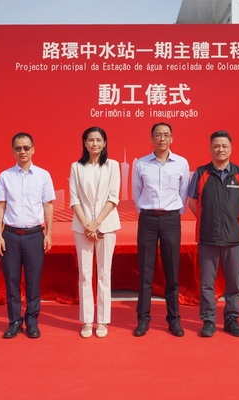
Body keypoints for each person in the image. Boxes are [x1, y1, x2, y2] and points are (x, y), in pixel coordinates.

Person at [188, 131, 239, 338]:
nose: (220, 149)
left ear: (231, 149)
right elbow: (193, 203)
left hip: (234, 239)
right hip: (208, 237)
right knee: (207, 283)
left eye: (224, 146)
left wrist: (229, 221)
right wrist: (210, 219)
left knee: (233, 284)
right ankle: (209, 320)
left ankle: (232, 320)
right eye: (216, 146)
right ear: (210, 149)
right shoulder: (201, 173)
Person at [0, 132, 55, 339]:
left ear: (33, 149)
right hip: (10, 235)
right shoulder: (5, 176)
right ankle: (14, 322)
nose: (22, 151)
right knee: (11, 282)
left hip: (34, 235)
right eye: (18, 148)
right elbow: (0, 206)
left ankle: (32, 321)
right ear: (13, 151)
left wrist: (49, 234)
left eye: (26, 148)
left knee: (33, 282)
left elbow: (48, 205)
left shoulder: (43, 175)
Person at [132, 122, 190, 337]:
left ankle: (174, 319)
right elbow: (137, 192)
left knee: (172, 272)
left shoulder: (181, 163)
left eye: (166, 135)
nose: (162, 138)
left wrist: (173, 212)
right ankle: (143, 319)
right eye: (158, 135)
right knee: (145, 272)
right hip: (147, 219)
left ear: (172, 138)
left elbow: (183, 192)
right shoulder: (141, 164)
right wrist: (146, 211)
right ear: (151, 139)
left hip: (171, 220)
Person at [69, 127, 121, 338]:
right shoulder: (76, 167)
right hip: (82, 227)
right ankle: (87, 320)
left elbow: (113, 197)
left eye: (99, 140)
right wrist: (86, 224)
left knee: (104, 274)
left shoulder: (113, 165)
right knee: (85, 274)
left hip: (106, 225)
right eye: (90, 140)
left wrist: (97, 223)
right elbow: (74, 199)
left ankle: (103, 320)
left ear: (105, 143)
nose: (94, 143)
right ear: (84, 143)